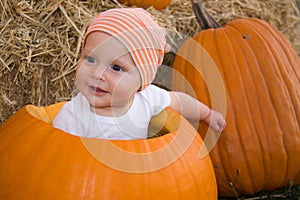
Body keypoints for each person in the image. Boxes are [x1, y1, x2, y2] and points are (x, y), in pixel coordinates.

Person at [53, 7, 226, 140]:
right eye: (90, 59)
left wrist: (207, 114)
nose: (97, 74)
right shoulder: (73, 116)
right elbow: (56, 156)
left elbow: (179, 101)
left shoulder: (146, 98)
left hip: (134, 182)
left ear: (142, 80)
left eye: (116, 68)